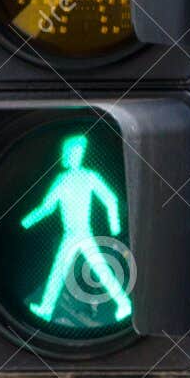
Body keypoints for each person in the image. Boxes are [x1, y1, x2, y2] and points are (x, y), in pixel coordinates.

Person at [19, 134, 133, 322]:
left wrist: (115, 225)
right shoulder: (62, 179)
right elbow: (47, 207)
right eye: (73, 152)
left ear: (82, 154)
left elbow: (110, 199)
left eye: (79, 152)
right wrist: (27, 221)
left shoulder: (89, 176)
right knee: (65, 270)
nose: (76, 156)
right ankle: (123, 304)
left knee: (84, 270)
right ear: (66, 154)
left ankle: (123, 304)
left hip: (81, 232)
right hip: (71, 234)